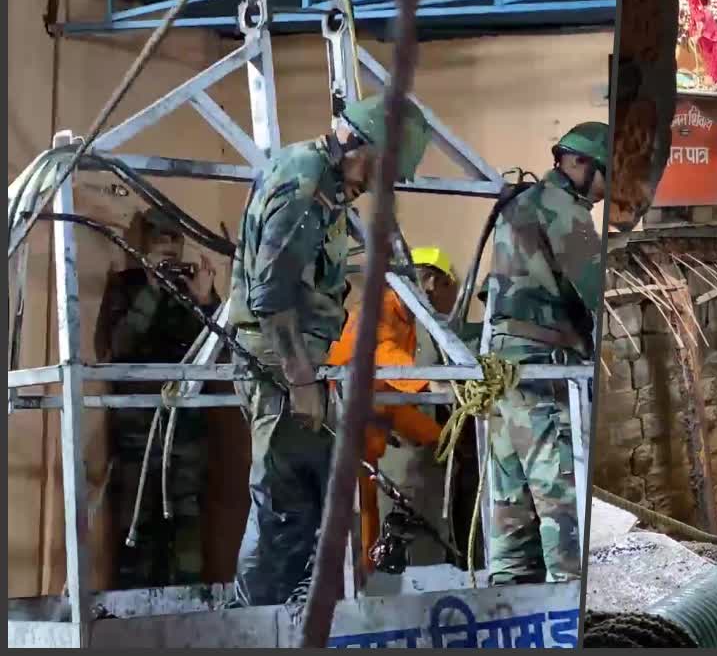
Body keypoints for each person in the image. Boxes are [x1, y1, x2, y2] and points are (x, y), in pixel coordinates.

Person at [226, 93, 432, 608]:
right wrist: (299, 379)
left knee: (311, 511)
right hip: (278, 363)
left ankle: (288, 621)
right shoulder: (303, 179)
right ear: (361, 146)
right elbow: (270, 295)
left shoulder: (328, 190)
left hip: (301, 364)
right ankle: (251, 628)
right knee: (283, 509)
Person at [486, 122, 607, 584]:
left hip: (506, 376)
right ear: (578, 164)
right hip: (543, 377)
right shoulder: (563, 207)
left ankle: (508, 623)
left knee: (511, 518)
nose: (603, 191)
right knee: (564, 515)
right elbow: (598, 289)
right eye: (605, 176)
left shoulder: (519, 203)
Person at [95, 209, 221, 589]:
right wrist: (151, 289)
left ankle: (189, 614)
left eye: (175, 238)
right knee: (137, 525)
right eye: (160, 238)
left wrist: (206, 304)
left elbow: (217, 355)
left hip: (185, 431)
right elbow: (118, 349)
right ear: (144, 243)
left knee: (186, 527)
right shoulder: (126, 285)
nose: (169, 246)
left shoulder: (193, 288)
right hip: (138, 431)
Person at [324, 247, 459, 574]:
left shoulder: (404, 313)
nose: (449, 299)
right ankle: (367, 574)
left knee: (441, 443)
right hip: (356, 408)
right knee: (365, 499)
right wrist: (428, 385)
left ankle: (373, 566)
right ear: (428, 281)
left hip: (379, 407)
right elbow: (379, 349)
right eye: (447, 288)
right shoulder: (382, 306)